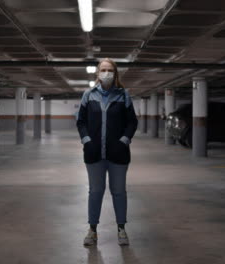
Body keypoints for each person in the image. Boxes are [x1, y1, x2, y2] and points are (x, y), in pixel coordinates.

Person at [76, 58, 138, 246]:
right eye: (103, 69)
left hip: (118, 154)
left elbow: (132, 122)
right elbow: (81, 122)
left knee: (119, 192)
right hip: (94, 154)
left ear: (115, 73)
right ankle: (92, 230)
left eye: (110, 70)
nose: (106, 73)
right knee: (95, 191)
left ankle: (121, 229)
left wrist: (123, 141)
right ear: (97, 73)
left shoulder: (123, 95)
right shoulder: (88, 95)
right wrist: (87, 141)